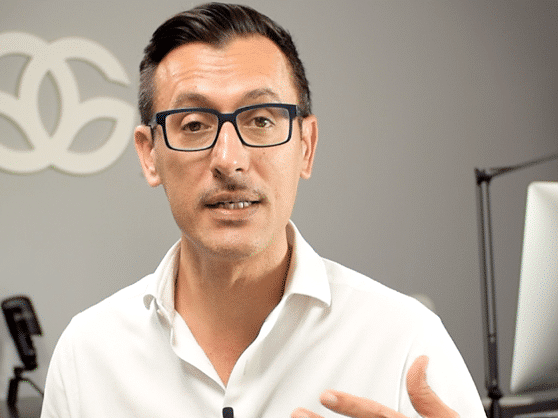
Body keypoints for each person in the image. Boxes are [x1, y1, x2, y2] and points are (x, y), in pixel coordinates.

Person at [41, 3, 486, 418]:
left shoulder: (406, 343)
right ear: (149, 155)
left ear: (306, 146)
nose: (229, 160)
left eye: (261, 120)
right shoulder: (87, 355)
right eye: (194, 125)